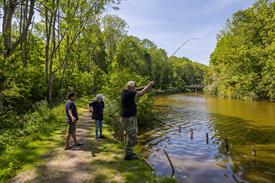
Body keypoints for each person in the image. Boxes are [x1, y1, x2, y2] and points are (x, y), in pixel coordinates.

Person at [120, 80, 155, 160]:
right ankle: (128, 154)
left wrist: (146, 87)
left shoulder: (125, 91)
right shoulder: (129, 94)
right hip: (128, 117)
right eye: (134, 87)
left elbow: (139, 90)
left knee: (130, 134)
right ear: (130, 87)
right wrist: (150, 84)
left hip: (127, 117)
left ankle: (129, 151)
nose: (135, 88)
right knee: (132, 135)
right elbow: (141, 93)